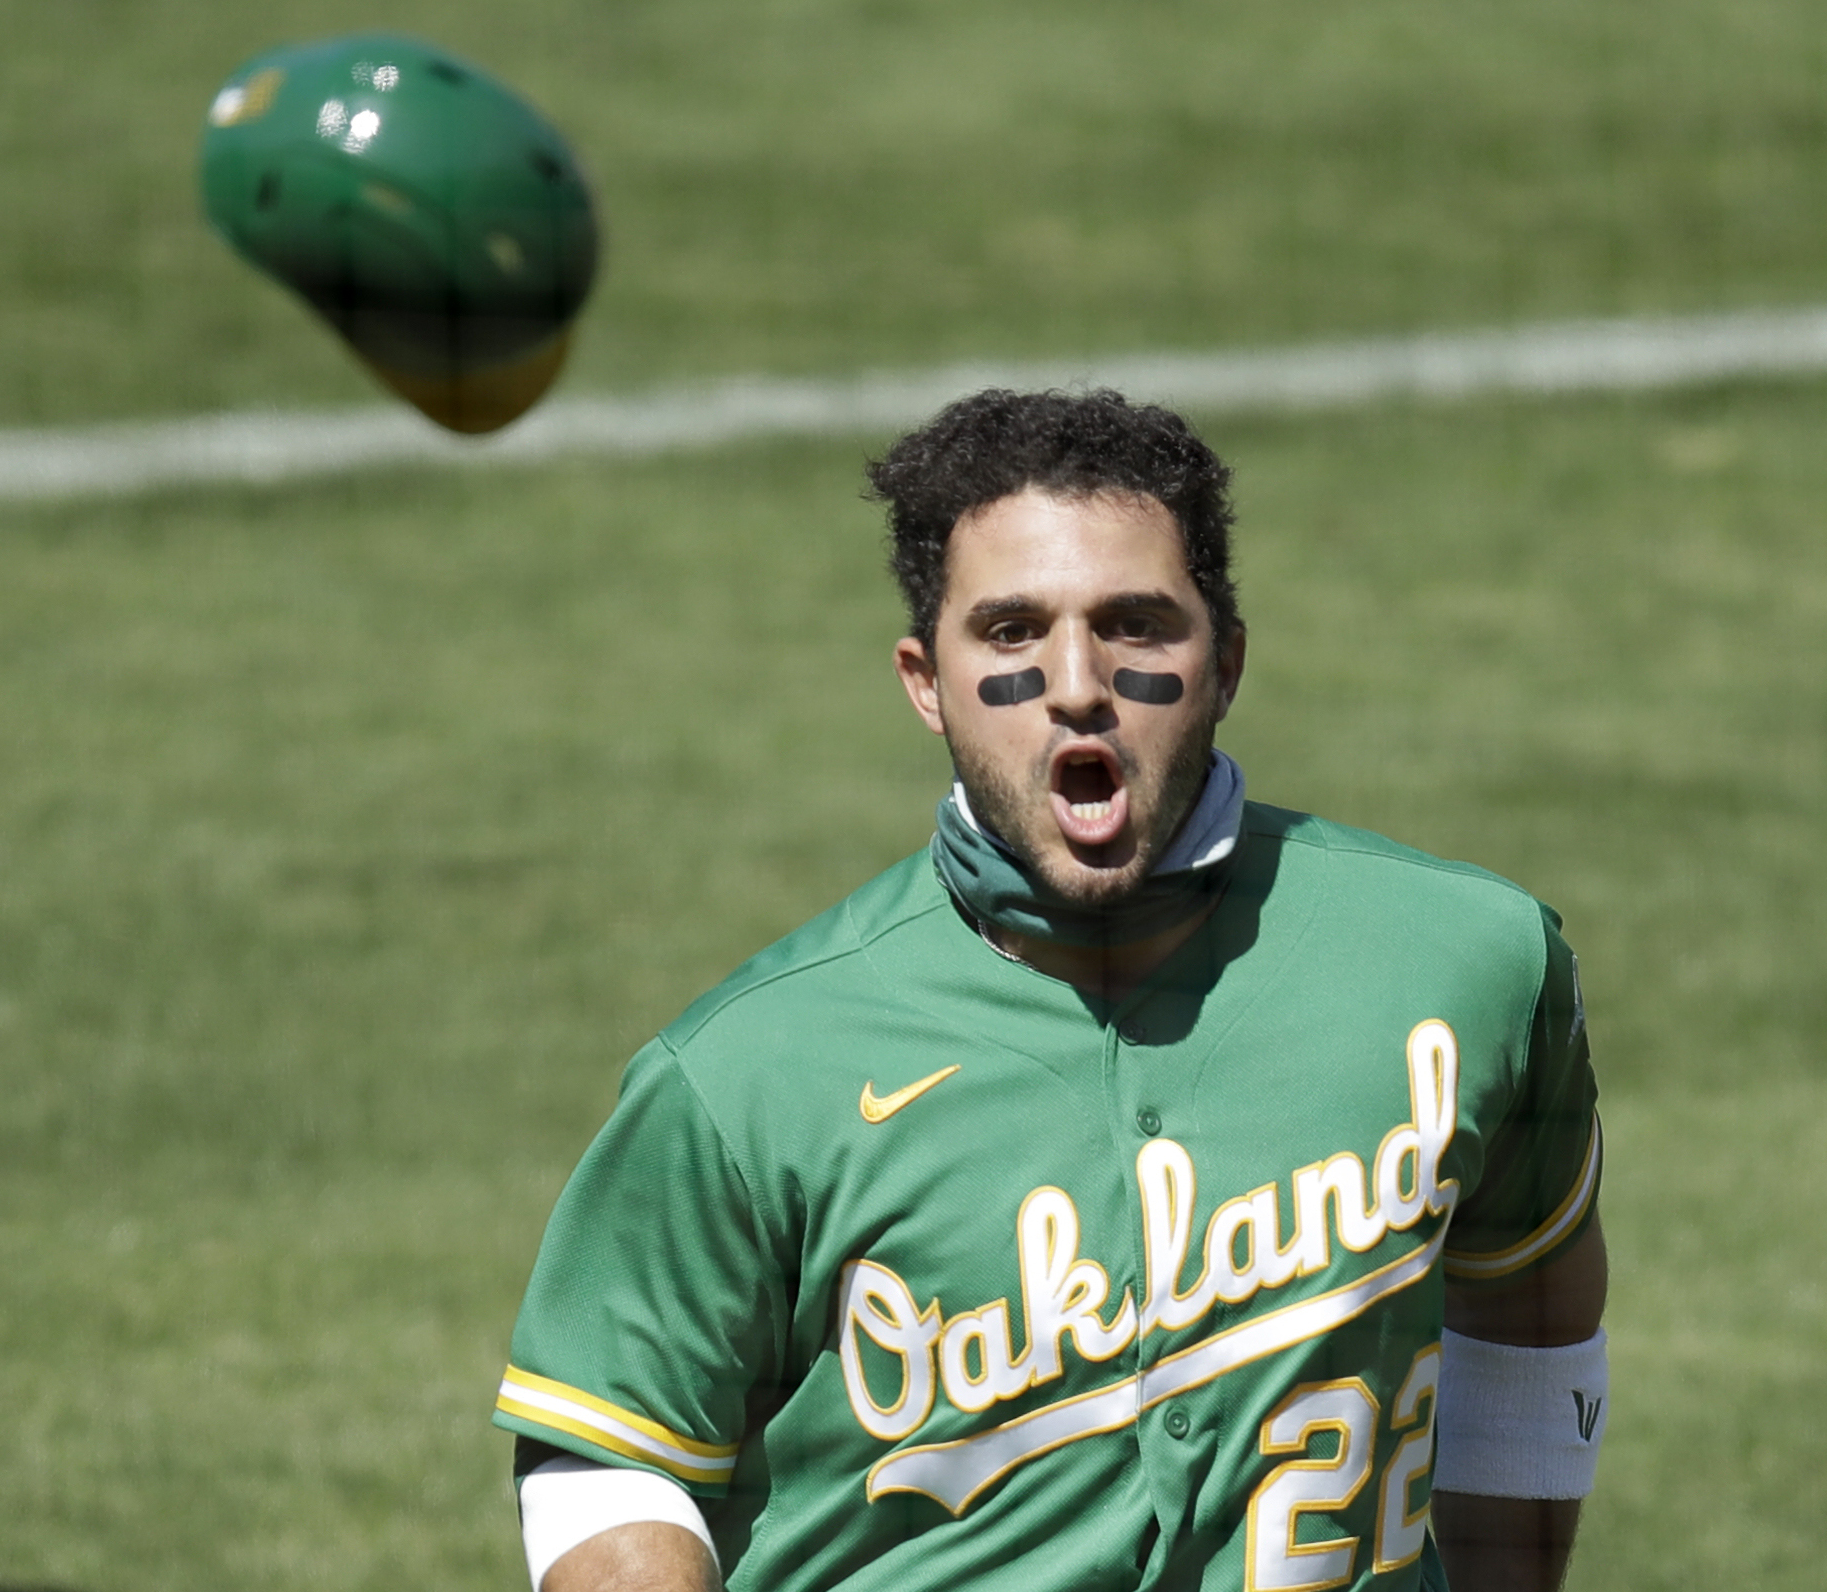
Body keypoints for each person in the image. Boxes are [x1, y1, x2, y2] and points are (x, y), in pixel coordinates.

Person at [493, 389, 1609, 1592]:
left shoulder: (1469, 961)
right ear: (927, 680)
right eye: (1013, 633)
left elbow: (1529, 1307)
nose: (1078, 682)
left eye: (1136, 625)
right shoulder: (747, 1075)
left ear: (1225, 658)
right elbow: (610, 1462)